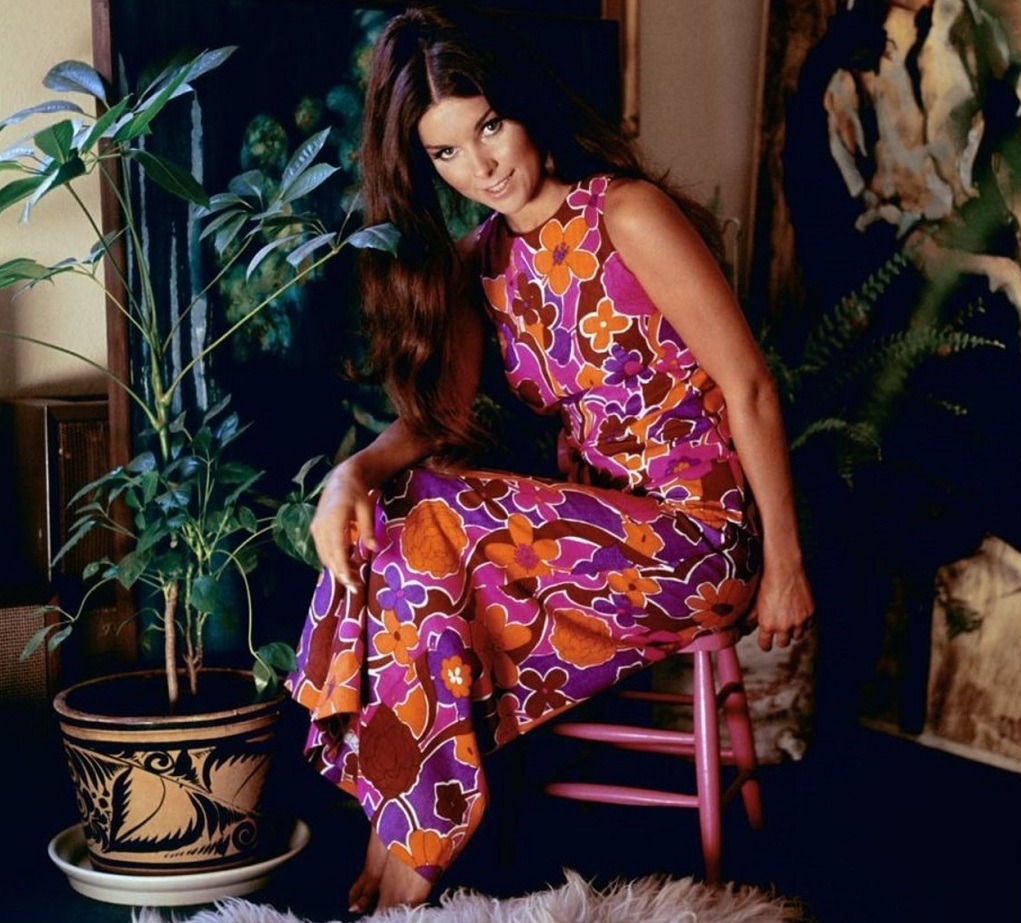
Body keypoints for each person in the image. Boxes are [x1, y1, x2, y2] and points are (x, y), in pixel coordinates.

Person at [286, 2, 815, 911]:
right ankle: (401, 843)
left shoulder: (626, 214)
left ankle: (404, 859)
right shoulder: (477, 262)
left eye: (490, 126)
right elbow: (437, 422)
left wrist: (785, 565)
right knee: (405, 523)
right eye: (448, 152)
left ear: (523, 106)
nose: (482, 167)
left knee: (432, 511)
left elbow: (750, 386)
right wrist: (353, 473)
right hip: (591, 550)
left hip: (697, 541)